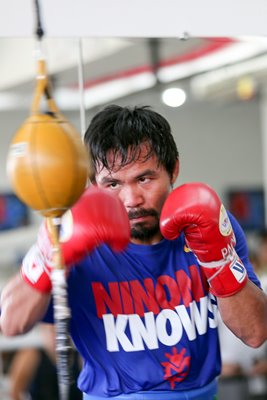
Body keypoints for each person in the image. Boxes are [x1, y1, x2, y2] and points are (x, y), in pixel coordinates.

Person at [0, 105, 267, 400]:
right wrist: (48, 256)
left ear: (173, 169)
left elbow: (255, 332)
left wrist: (218, 258)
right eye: (113, 184)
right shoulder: (77, 244)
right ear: (93, 185)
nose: (131, 199)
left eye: (144, 179)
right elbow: (11, 324)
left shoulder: (210, 226)